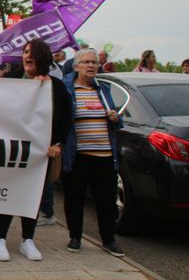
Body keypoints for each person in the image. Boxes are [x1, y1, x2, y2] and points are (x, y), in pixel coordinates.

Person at [0, 39, 73, 262]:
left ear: (43, 58)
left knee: (33, 195)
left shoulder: (56, 87)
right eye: (25, 52)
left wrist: (58, 144)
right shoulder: (10, 80)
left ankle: (27, 239)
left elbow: (66, 119)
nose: (28, 56)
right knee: (7, 193)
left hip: (40, 154)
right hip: (11, 150)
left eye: (33, 53)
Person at [62, 48, 125, 257]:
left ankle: (109, 240)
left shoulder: (103, 89)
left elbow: (117, 123)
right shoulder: (67, 88)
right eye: (86, 62)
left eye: (94, 62)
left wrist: (116, 118)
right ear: (76, 66)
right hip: (78, 154)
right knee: (74, 197)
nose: (91, 66)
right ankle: (75, 237)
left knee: (106, 199)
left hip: (104, 155)